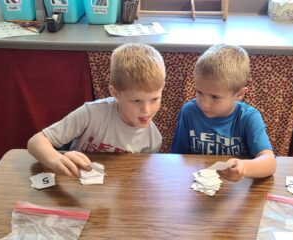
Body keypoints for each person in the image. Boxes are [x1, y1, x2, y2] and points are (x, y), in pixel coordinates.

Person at [28, 43, 166, 178]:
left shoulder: (153, 139)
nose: (146, 110)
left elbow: (140, 177)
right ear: (115, 93)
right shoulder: (91, 113)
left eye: (154, 99)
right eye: (136, 101)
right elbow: (35, 142)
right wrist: (56, 159)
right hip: (76, 184)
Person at [171, 44, 276, 182]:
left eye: (215, 97)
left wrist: (244, 167)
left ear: (239, 94)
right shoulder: (189, 112)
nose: (204, 103)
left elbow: (270, 162)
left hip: (236, 190)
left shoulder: (249, 117)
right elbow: (177, 158)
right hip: (198, 186)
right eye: (199, 92)